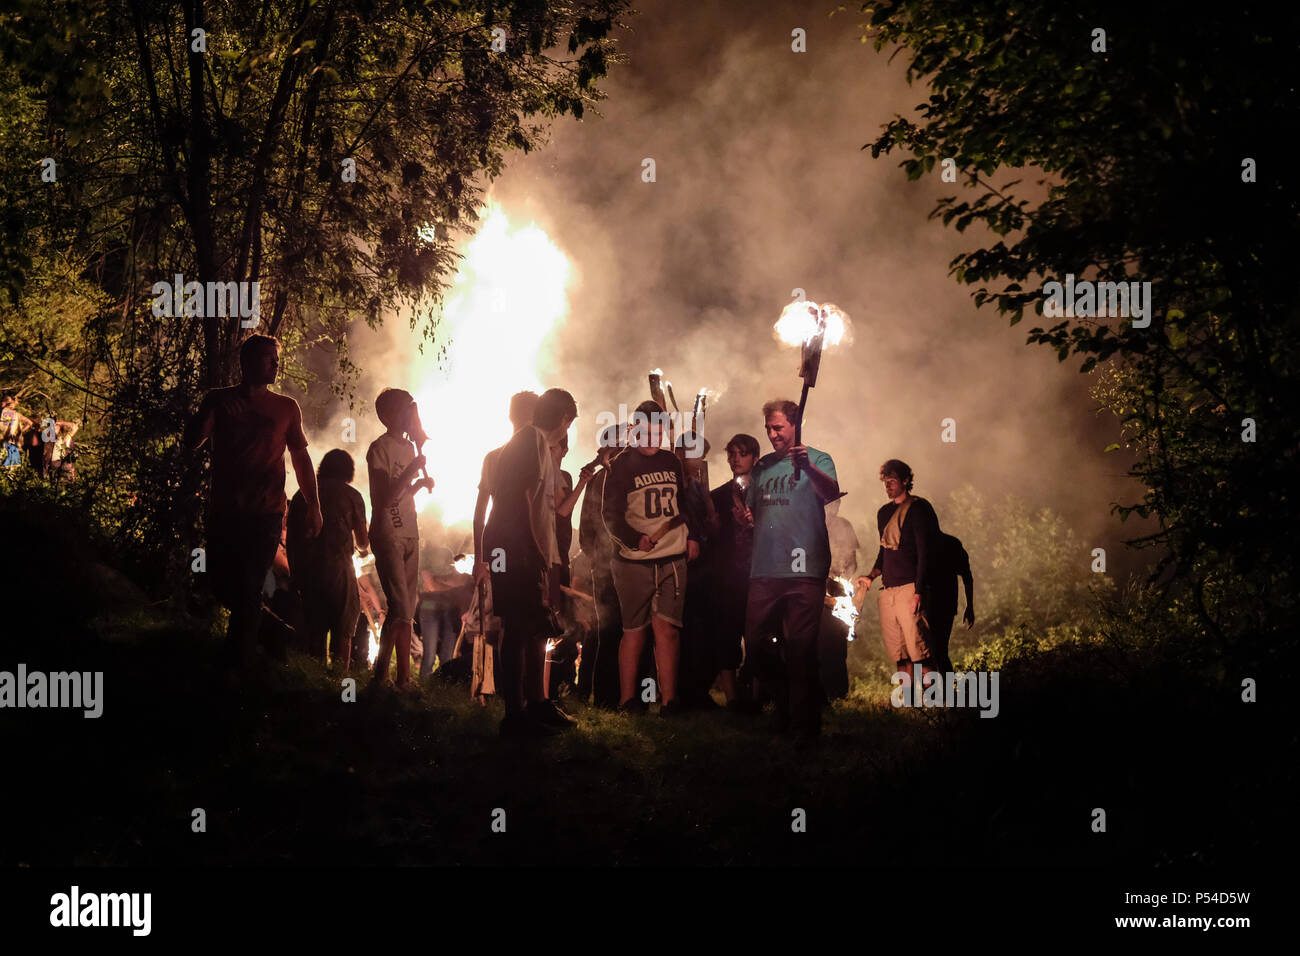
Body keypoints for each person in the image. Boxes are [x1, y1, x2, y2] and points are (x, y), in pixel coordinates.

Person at [187, 334, 322, 670]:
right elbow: (191, 442)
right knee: (220, 584)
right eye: (267, 357)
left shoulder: (286, 407)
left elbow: (301, 459)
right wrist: (212, 413)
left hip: (266, 513)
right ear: (246, 363)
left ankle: (237, 667)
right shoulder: (218, 399)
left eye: (276, 358)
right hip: (225, 510)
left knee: (248, 586)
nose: (275, 363)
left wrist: (314, 505)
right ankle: (274, 630)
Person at [483, 387, 578, 737]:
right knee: (518, 627)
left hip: (524, 547)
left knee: (534, 626)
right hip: (513, 548)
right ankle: (514, 714)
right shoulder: (530, 441)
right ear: (564, 419)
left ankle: (535, 705)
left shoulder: (534, 443)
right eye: (569, 422)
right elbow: (520, 500)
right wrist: (535, 551)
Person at [744, 399, 840, 742]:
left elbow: (830, 493)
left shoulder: (819, 459)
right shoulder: (762, 468)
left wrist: (808, 468)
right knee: (755, 642)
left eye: (778, 428)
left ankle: (803, 725)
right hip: (765, 567)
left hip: (805, 567)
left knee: (800, 648)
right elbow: (753, 508)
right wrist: (749, 517)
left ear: (795, 425)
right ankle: (782, 703)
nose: (771, 435)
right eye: (768, 428)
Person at [602, 400, 700, 717]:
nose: (653, 439)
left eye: (660, 432)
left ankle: (670, 701)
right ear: (635, 431)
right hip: (633, 561)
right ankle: (628, 700)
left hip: (672, 557)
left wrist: (693, 534)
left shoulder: (671, 461)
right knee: (634, 631)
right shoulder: (619, 465)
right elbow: (610, 515)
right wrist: (634, 539)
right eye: (648, 432)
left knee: (668, 629)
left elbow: (683, 503)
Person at [365, 388, 434, 689]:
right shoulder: (379, 449)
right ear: (391, 415)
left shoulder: (409, 448)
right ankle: (380, 676)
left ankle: (404, 678)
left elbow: (402, 494)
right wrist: (412, 472)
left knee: (406, 609)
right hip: (388, 532)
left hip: (409, 531)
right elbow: (384, 498)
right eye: (407, 409)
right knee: (400, 607)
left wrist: (419, 483)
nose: (412, 415)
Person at [856, 459, 941, 701]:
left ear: (905, 480)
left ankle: (934, 701)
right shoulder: (883, 513)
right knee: (899, 651)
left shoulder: (919, 509)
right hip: (889, 590)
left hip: (909, 589)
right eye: (885, 481)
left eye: (892, 480)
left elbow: (924, 552)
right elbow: (884, 552)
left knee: (919, 649)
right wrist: (871, 575)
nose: (888, 485)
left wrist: (919, 590)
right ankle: (910, 700)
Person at [287, 449, 370, 669]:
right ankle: (340, 685)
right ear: (349, 471)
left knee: (315, 629)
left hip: (308, 570)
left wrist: (295, 574)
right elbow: (363, 542)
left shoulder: (301, 495)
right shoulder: (352, 496)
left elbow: (292, 539)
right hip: (340, 571)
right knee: (343, 629)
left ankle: (315, 680)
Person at [709, 433, 762, 712]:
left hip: (759, 575)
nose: (735, 459)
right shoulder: (717, 496)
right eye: (732, 454)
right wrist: (714, 525)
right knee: (726, 635)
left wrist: (753, 525)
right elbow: (710, 539)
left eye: (741, 454)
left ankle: (755, 697)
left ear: (755, 457)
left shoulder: (767, 493)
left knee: (757, 636)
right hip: (728, 577)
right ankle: (732, 699)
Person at [575, 423, 626, 707]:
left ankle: (602, 693)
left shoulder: (614, 476)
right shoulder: (602, 479)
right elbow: (586, 527)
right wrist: (597, 559)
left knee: (608, 629)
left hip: (618, 562)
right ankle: (604, 695)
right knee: (607, 628)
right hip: (610, 565)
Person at [676, 431, 724, 710]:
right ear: (681, 453)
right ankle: (684, 691)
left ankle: (698, 688)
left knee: (702, 627)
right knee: (686, 627)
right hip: (682, 562)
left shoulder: (696, 486)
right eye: (695, 454)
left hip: (703, 562)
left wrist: (708, 504)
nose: (699, 461)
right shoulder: (673, 482)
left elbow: (711, 525)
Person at [473, 391, 540, 584]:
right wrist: (479, 559)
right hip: (521, 543)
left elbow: (480, 512)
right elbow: (480, 511)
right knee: (527, 602)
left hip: (498, 541)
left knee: (507, 602)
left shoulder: (493, 457)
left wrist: (480, 558)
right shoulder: (536, 456)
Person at [920, 531, 975, 673]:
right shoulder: (951, 543)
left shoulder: (922, 544)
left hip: (932, 604)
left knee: (933, 652)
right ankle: (945, 692)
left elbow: (967, 576)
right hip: (943, 604)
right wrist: (970, 606)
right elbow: (967, 577)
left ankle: (941, 691)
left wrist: (970, 606)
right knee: (939, 651)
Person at [825, 498, 859, 580]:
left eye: (836, 503)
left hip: (838, 580)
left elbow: (853, 561)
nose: (833, 507)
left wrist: (844, 576)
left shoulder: (845, 525)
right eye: (830, 504)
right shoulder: (812, 526)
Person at [0, 395, 31, 472]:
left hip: (2, 441)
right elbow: (30, 423)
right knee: (11, 470)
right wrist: (19, 432)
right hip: (12, 442)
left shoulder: (2, 412)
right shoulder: (16, 414)